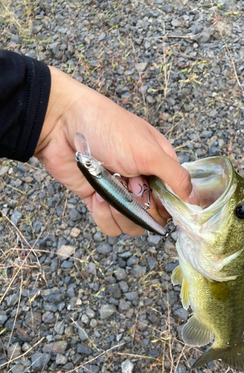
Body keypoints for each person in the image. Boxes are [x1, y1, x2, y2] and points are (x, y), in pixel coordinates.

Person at [0, 49, 197, 236]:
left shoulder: (94, 164)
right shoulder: (95, 172)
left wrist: (52, 109)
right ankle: (161, 230)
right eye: (87, 164)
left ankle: (160, 230)